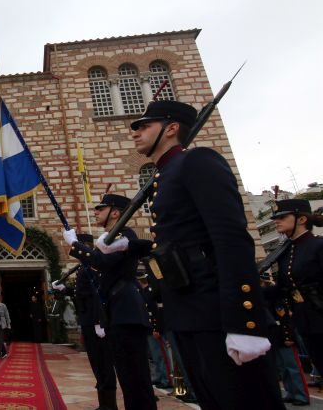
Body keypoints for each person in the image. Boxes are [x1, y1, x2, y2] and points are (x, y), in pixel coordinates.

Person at [121, 99, 284, 409]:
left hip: (217, 314)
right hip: (190, 313)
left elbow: (231, 239)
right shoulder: (163, 177)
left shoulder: (197, 162)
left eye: (144, 126)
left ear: (170, 129)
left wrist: (244, 323)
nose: (136, 133)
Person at [62, 194, 157, 410]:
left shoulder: (125, 236)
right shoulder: (111, 236)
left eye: (100, 208)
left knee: (136, 380)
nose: (96, 212)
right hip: (116, 311)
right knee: (128, 378)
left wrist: (75, 244)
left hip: (127, 311)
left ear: (115, 212)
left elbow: (102, 262)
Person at [54, 234, 118, 410]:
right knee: (97, 363)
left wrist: (99, 320)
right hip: (88, 319)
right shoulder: (85, 266)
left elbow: (99, 294)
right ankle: (104, 403)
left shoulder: (93, 267)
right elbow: (83, 294)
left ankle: (109, 406)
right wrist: (65, 289)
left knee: (103, 363)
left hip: (95, 321)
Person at [268, 199, 323, 389]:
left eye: (282, 217)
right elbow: (282, 288)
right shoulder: (286, 252)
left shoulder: (318, 245)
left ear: (301, 219)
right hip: (305, 319)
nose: (277, 221)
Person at [261, 273, 309, 406]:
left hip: (284, 338)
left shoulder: (277, 301)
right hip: (274, 338)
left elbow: (284, 320)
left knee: (293, 367)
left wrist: (288, 337)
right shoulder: (265, 299)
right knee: (283, 368)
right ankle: (291, 392)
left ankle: (301, 395)